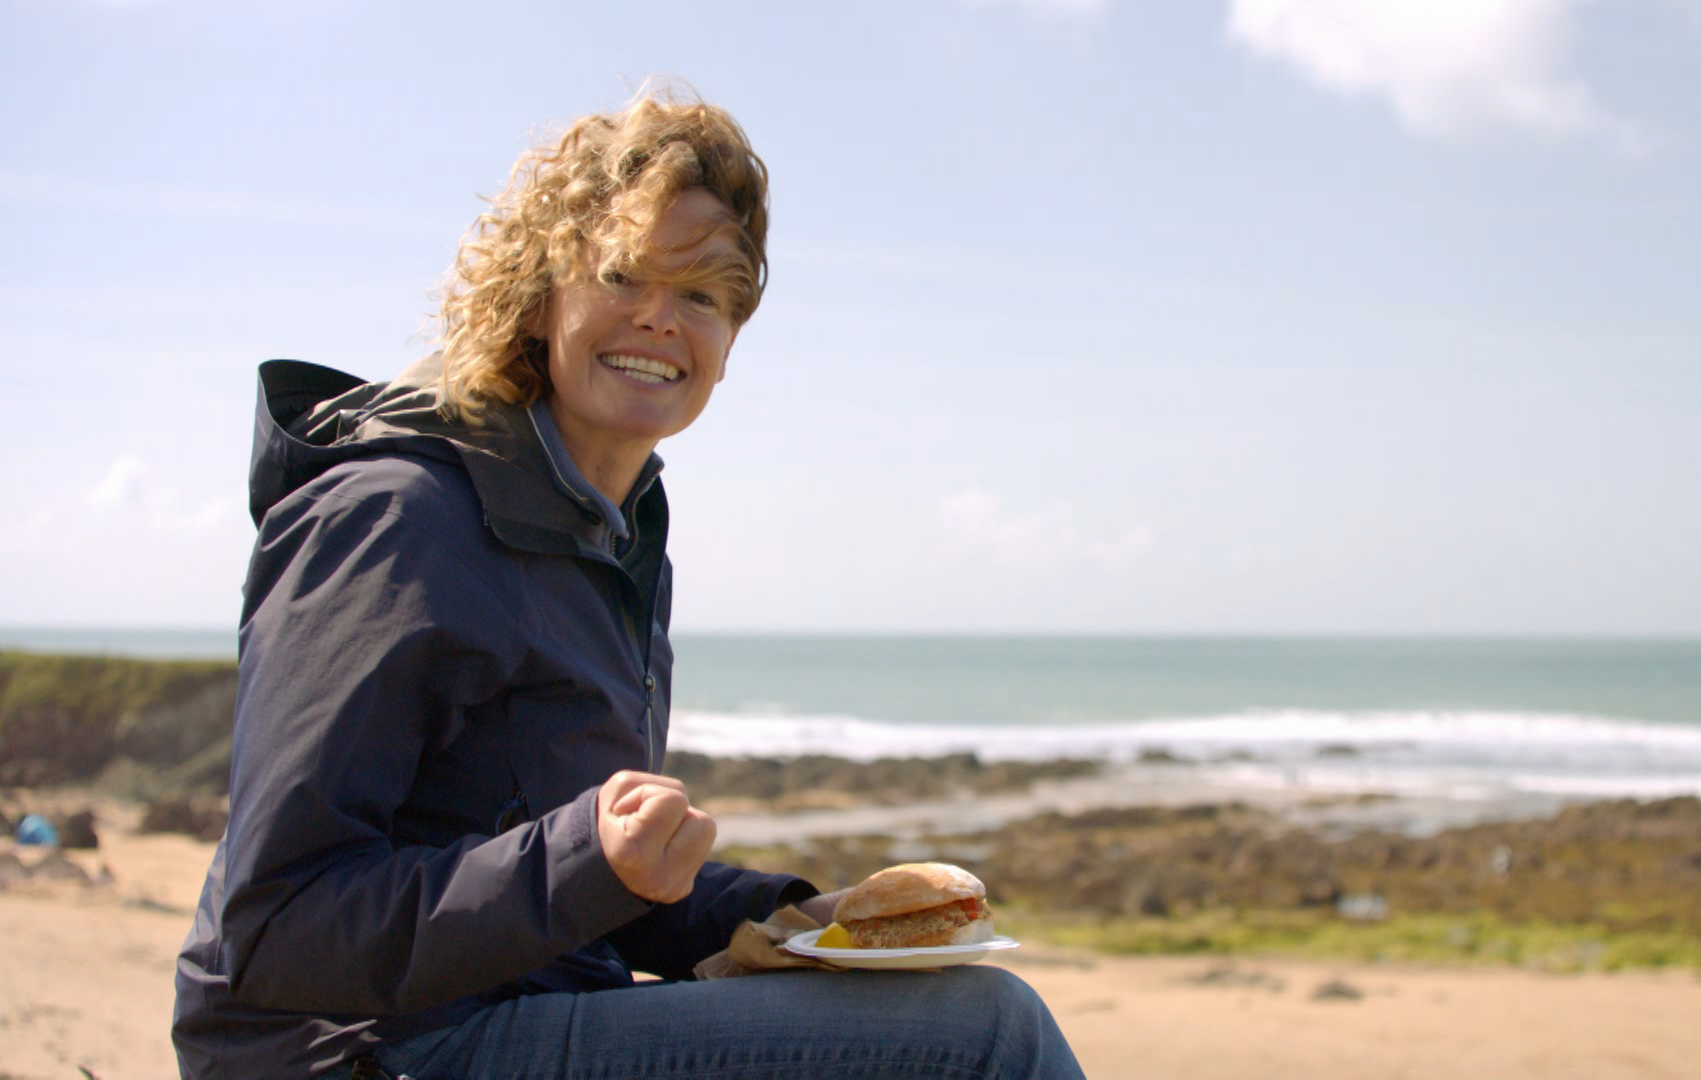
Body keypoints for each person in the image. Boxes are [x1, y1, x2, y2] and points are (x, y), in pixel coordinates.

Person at [172, 88, 1084, 1080]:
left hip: (522, 1008)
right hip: (354, 1051)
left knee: (912, 994)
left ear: (731, 340)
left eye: (702, 294)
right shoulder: (397, 518)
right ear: (538, 293)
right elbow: (277, 927)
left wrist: (778, 914)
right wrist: (581, 863)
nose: (659, 319)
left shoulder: (617, 535)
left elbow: (564, 886)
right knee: (989, 1032)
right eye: (621, 274)